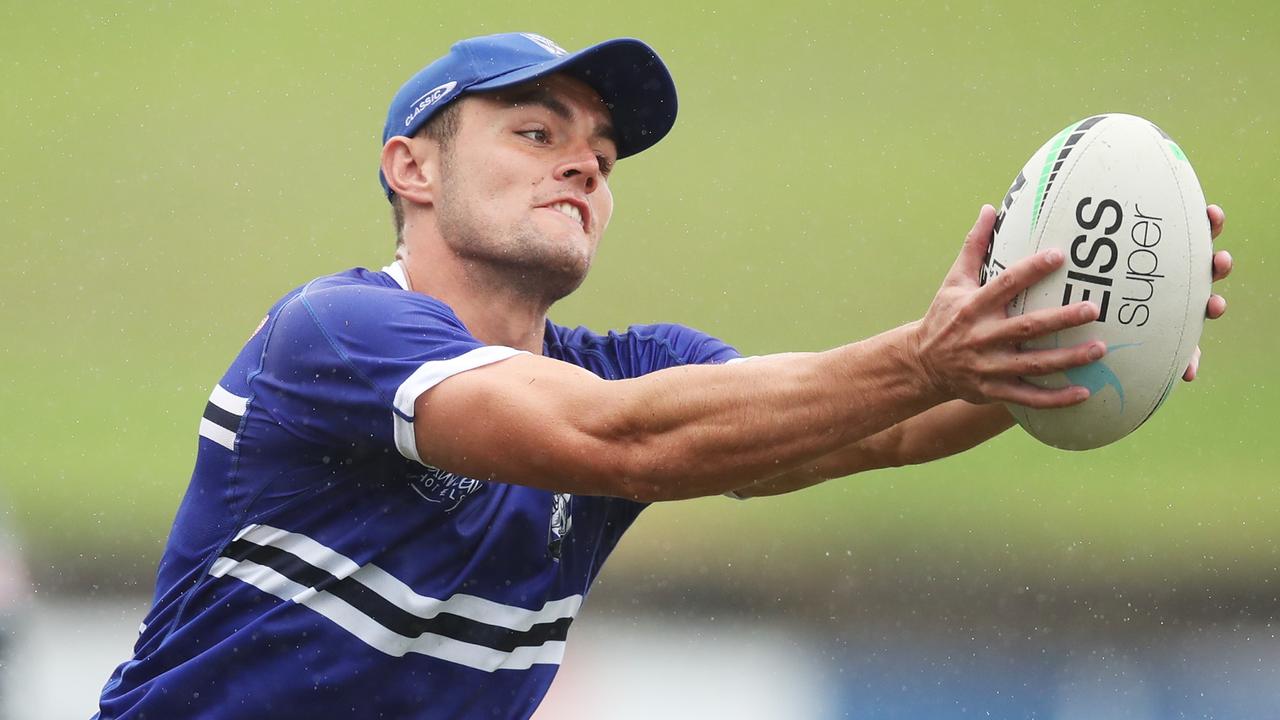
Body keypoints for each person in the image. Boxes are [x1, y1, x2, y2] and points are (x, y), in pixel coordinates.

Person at [94, 32, 1232, 719]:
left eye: (601, 149)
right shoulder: (336, 334)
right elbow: (613, 442)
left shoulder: (639, 370)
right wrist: (925, 354)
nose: (586, 160)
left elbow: (871, 427)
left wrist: (1050, 342)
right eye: (536, 132)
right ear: (411, 168)